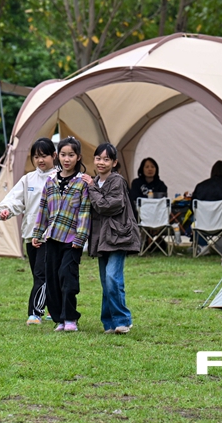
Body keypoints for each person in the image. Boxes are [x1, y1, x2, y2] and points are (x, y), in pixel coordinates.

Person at [32, 136, 91, 333]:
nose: (67, 159)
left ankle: (70, 318)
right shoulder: (50, 182)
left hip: (72, 240)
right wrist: (38, 233)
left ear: (78, 157)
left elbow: (84, 212)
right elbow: (43, 209)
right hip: (52, 238)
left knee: (68, 278)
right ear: (59, 156)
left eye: (71, 155)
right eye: (64, 155)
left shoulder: (82, 183)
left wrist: (80, 238)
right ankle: (58, 319)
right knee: (53, 280)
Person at [0, 137, 57, 326]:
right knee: (40, 274)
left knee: (42, 274)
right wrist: (6, 210)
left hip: (51, 236)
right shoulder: (28, 179)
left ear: (54, 156)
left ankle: (35, 313)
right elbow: (15, 199)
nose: (40, 160)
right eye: (36, 156)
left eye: (44, 155)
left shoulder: (60, 178)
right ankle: (52, 308)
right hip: (31, 234)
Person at [82, 143, 141, 335]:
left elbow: (108, 205)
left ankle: (123, 319)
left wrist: (92, 188)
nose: (101, 162)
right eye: (98, 158)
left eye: (106, 159)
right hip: (101, 238)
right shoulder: (95, 181)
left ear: (114, 162)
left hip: (118, 236)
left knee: (112, 278)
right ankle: (109, 323)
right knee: (106, 281)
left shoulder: (117, 181)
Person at [190, 160, 222, 255]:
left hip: (202, 224)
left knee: (194, 219)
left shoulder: (200, 186)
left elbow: (192, 208)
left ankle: (202, 246)